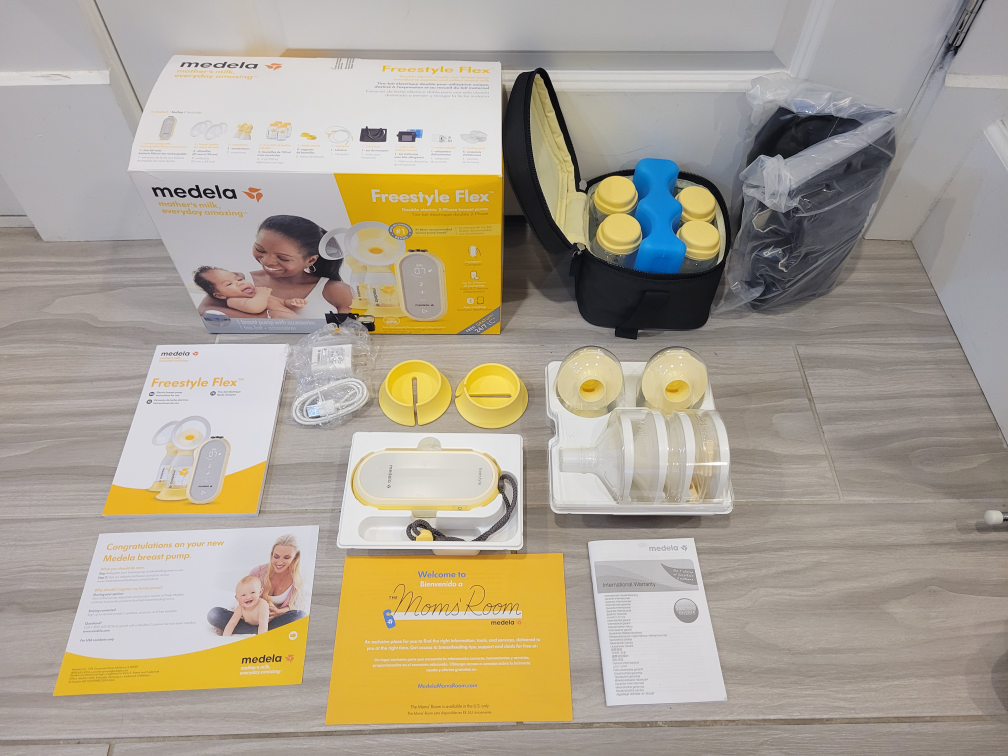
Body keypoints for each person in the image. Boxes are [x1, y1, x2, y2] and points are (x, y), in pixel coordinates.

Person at [196, 215, 353, 321]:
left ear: (310, 260)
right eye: (260, 249)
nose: (267, 261)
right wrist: (271, 317)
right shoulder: (240, 282)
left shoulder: (335, 290)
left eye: (283, 258)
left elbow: (351, 333)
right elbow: (204, 311)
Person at [207, 533, 307, 635]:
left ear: (295, 557)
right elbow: (243, 596)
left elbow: (295, 606)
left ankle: (247, 630)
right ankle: (261, 630)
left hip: (274, 620)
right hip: (249, 618)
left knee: (300, 616)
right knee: (214, 614)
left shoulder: (298, 578)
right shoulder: (258, 572)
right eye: (276, 556)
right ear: (271, 554)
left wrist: (278, 612)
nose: (279, 562)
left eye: (286, 558)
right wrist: (242, 614)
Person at [193, 266, 307, 318]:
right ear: (220, 295)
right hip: (283, 324)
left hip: (295, 321)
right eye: (229, 284)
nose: (240, 283)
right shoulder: (233, 301)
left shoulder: (258, 292)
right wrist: (262, 294)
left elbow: (282, 302)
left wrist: (293, 303)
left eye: (239, 279)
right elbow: (254, 308)